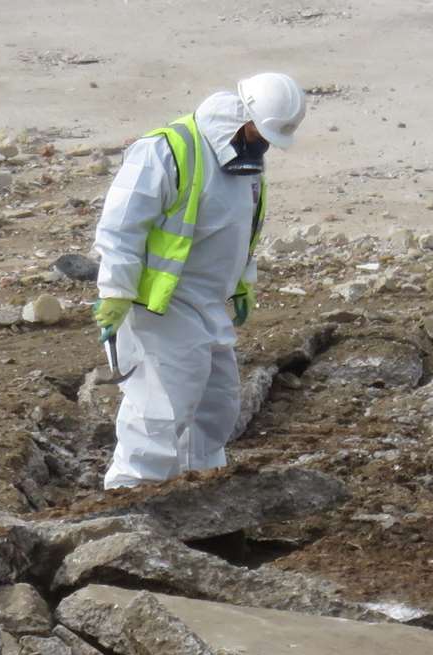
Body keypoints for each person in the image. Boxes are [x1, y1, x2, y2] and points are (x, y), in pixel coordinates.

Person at [92, 73, 308, 488]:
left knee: (216, 407)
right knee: (160, 412)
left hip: (208, 304)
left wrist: (242, 281)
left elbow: (238, 230)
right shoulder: (167, 150)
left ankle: (201, 497)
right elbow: (120, 228)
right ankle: (129, 499)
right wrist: (115, 292)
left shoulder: (244, 162)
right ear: (242, 117)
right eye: (258, 133)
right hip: (162, 307)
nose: (262, 145)